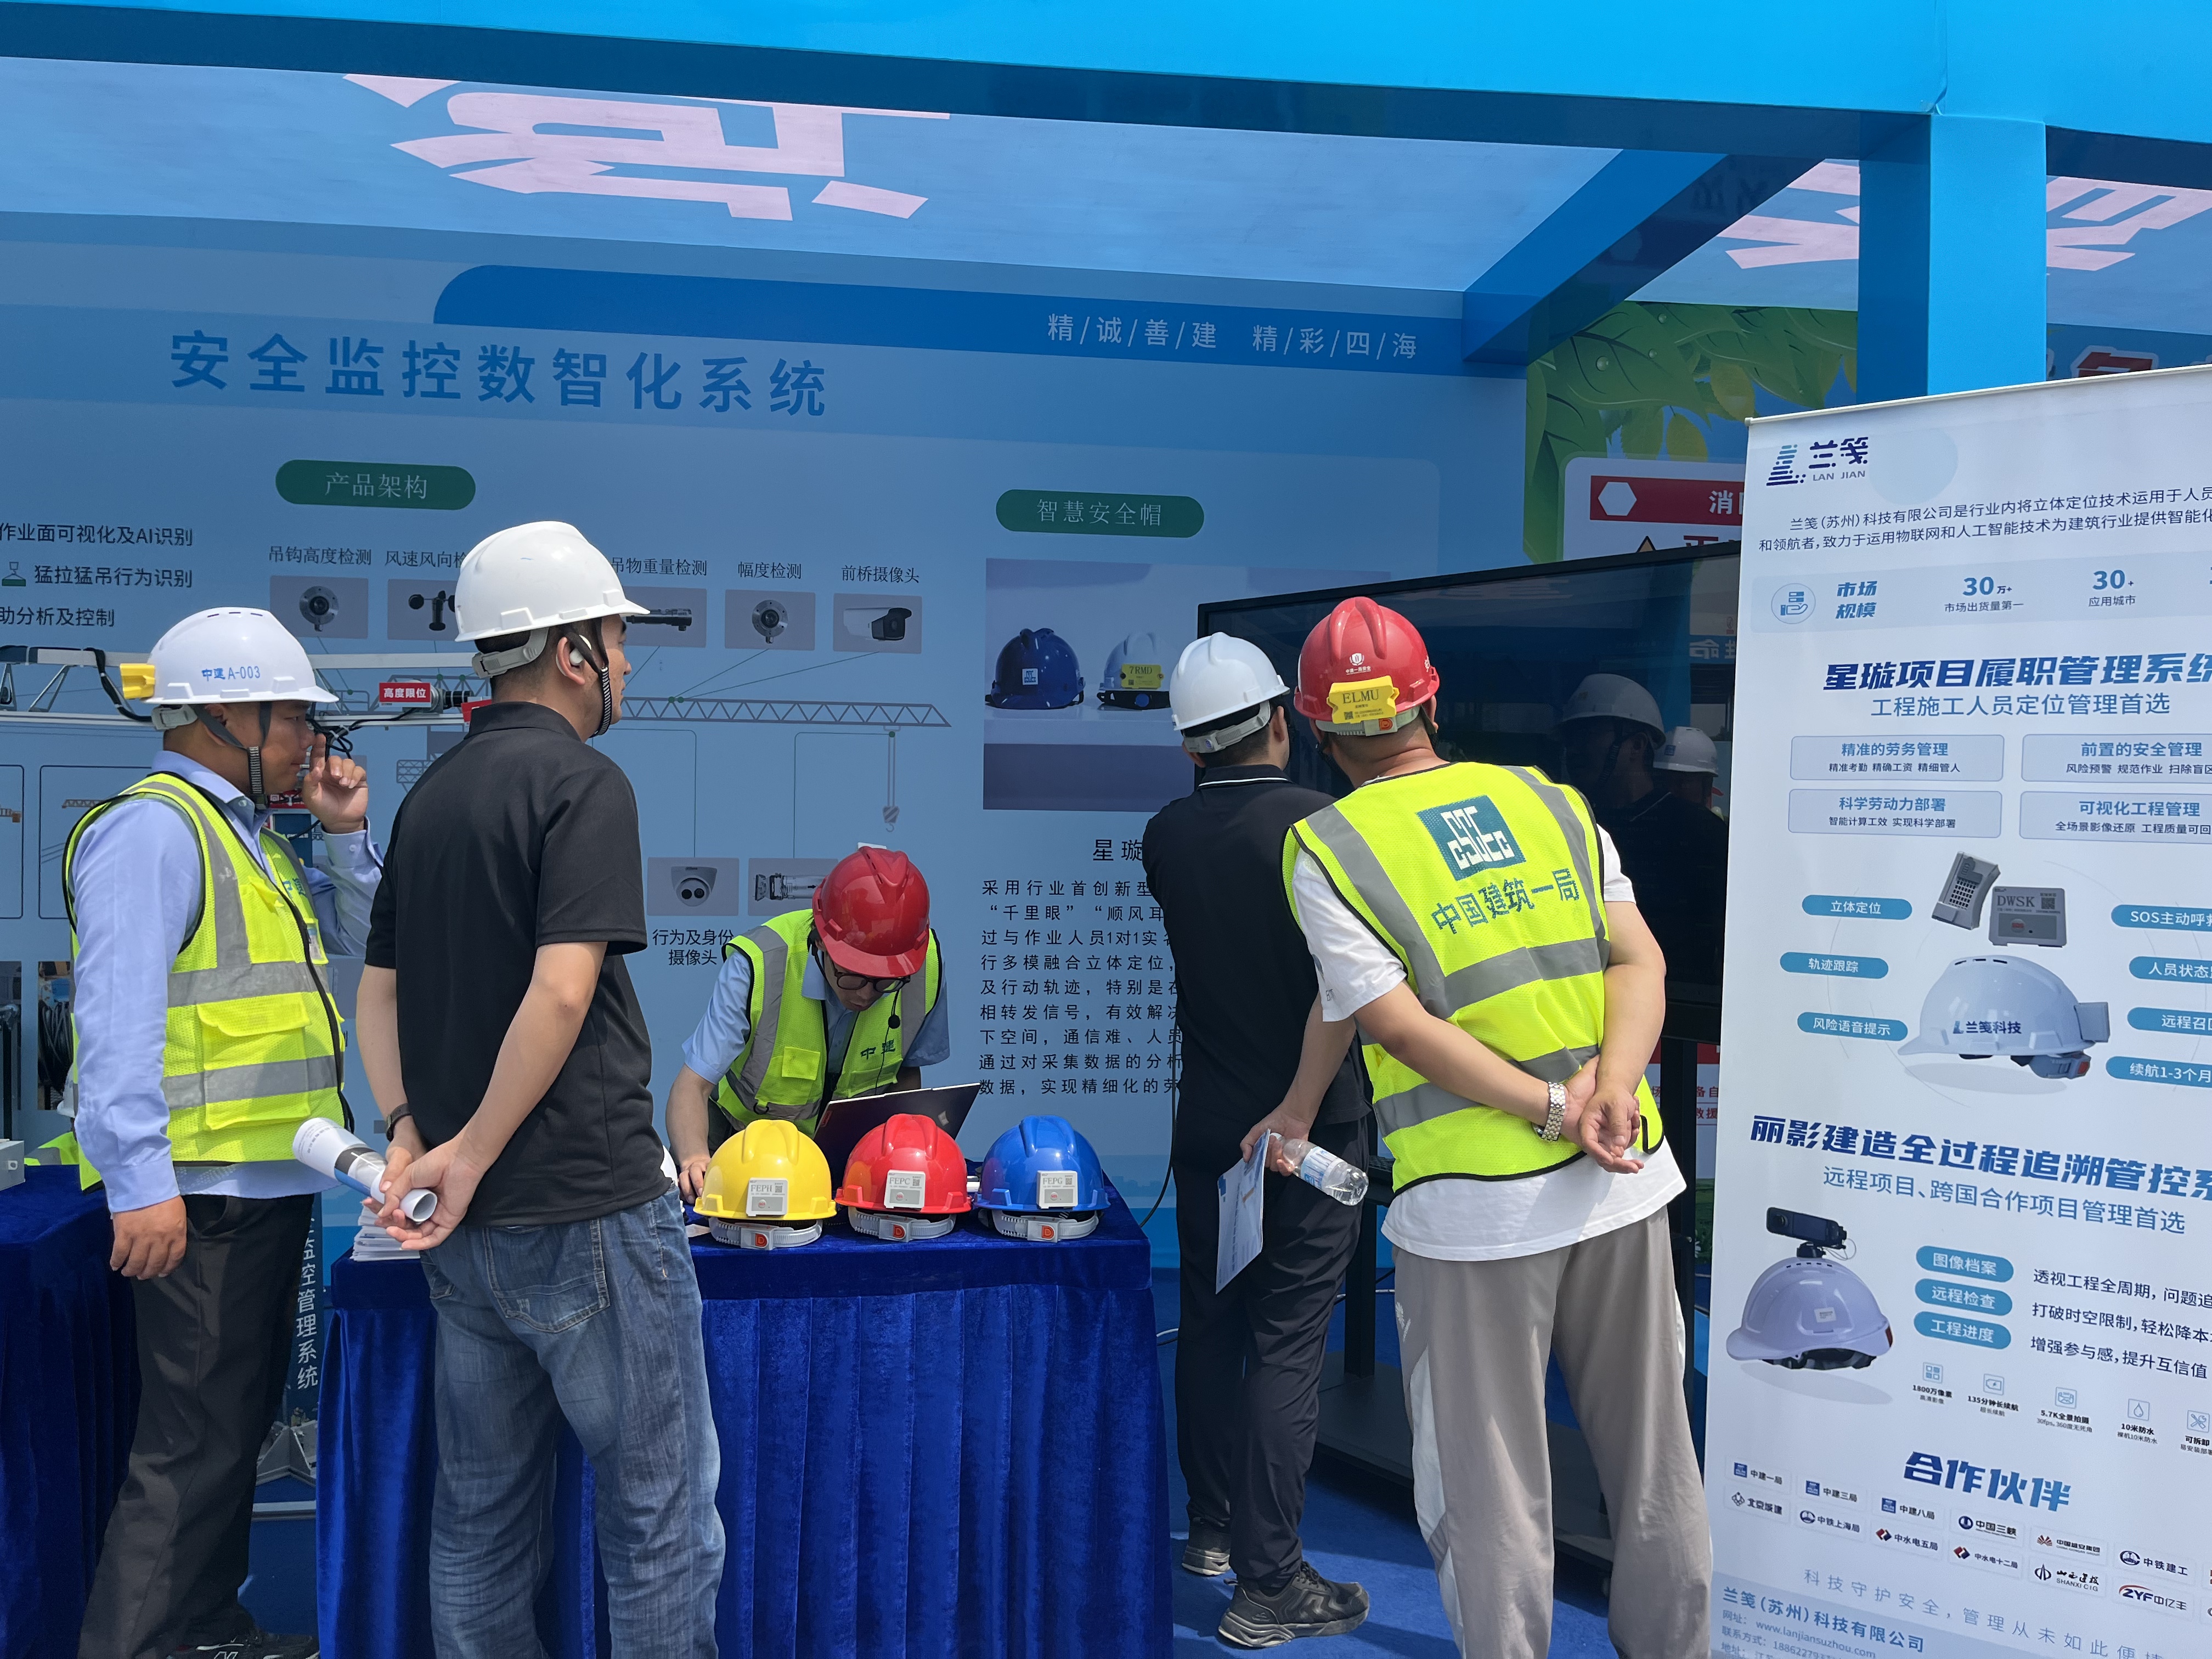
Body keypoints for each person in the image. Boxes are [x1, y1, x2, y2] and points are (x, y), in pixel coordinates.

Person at [1279, 599, 1709, 1659]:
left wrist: (1552, 1106)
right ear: (1430, 700)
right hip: (1623, 1174)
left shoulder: (1326, 844)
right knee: (1654, 1462)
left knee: (1490, 1483)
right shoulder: (1550, 802)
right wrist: (1610, 1086)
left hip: (1477, 1211)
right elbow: (1638, 960)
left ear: (1319, 727)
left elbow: (1395, 1024)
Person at [358, 522, 722, 1657]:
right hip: (588, 1209)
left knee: (480, 1521)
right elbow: (563, 993)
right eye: (616, 637)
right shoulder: (583, 783)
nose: (626, 661)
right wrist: (462, 1154)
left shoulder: (431, 795)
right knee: (659, 1519)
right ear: (571, 652)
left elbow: (377, 990)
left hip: (467, 1234)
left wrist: (414, 1136)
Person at [66, 606, 378, 1659]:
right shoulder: (154, 829)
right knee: (190, 1441)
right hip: (199, 1194)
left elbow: (367, 936)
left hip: (261, 1181)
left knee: (229, 1431)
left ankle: (203, 1627)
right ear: (223, 716)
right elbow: (116, 1017)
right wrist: (139, 1181)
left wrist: (346, 835)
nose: (310, 740)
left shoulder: (250, 835)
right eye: (292, 716)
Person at [1141, 634, 1373, 1651]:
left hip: (1209, 1130)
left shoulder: (1165, 835)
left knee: (1211, 1323)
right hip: (1310, 1128)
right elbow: (1346, 986)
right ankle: (1269, 1582)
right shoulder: (1325, 827)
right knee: (1286, 1344)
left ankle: (1210, 1529)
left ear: (1190, 745)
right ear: (1282, 720)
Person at [665, 844, 946, 1199]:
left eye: (884, 982)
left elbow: (906, 1075)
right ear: (821, 944)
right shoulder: (762, 964)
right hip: (742, 1150)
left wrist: (906, 1152)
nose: (866, 994)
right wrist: (694, 1160)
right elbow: (692, 1087)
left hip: (855, 1157)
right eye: (852, 975)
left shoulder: (921, 967)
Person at [1554, 674, 1728, 986]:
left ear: (1636, 746)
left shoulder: (1701, 834)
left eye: (1589, 734)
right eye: (1570, 738)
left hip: (1679, 1005)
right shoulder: (1565, 824)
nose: (1575, 750)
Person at [1653, 724, 1723, 815]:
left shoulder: (1712, 824)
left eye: (1681, 783)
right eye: (1664, 782)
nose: (1671, 791)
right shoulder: (1644, 820)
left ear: (1707, 786)